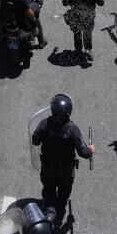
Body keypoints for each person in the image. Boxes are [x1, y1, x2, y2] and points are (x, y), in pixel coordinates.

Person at [31, 94, 94, 225]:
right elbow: (83, 152)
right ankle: (59, 215)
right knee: (64, 191)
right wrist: (91, 150)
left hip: (48, 167)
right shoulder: (73, 130)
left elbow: (35, 141)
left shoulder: (45, 124)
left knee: (48, 189)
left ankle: (49, 213)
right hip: (65, 170)